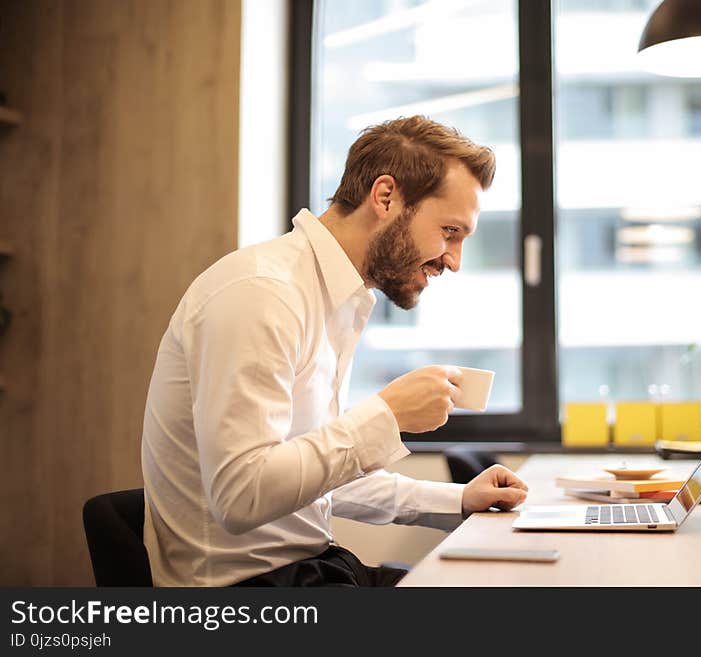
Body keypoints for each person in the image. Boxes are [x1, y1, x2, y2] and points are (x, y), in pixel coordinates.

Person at [141, 115, 529, 587]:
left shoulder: (336, 298)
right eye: (449, 231)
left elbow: (310, 479)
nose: (454, 260)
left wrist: (457, 500)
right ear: (385, 198)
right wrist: (385, 416)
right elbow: (242, 496)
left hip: (309, 569)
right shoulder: (262, 293)